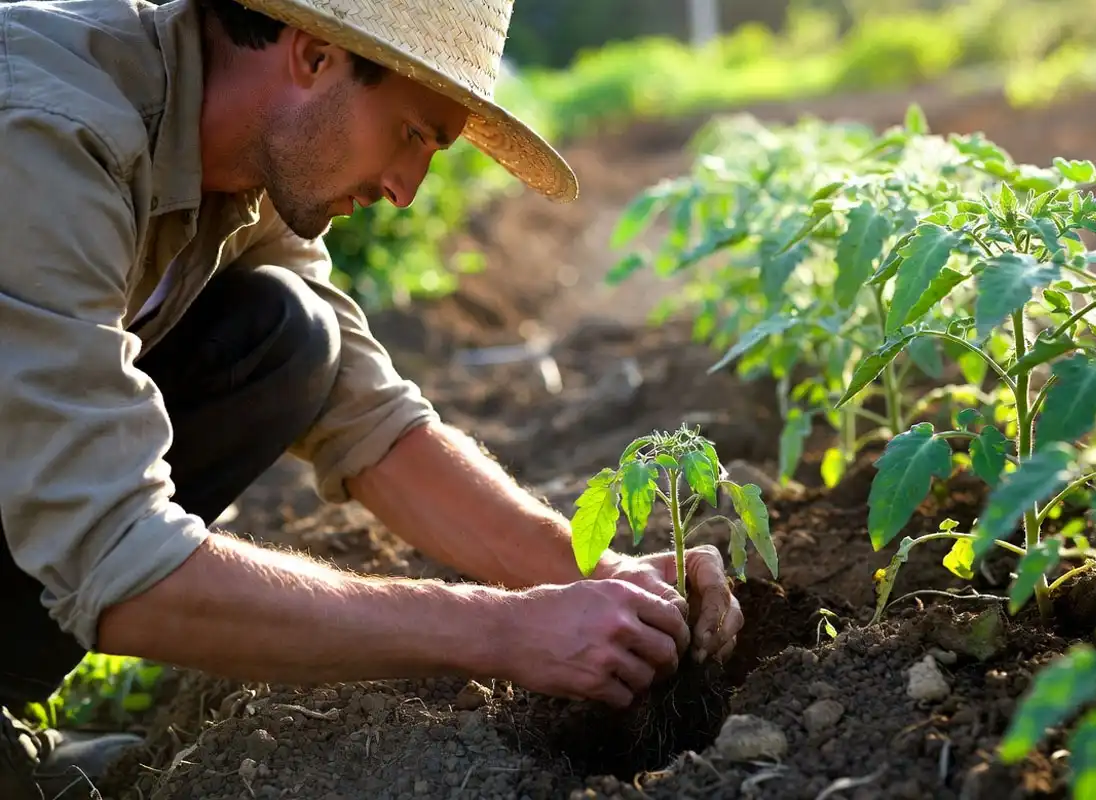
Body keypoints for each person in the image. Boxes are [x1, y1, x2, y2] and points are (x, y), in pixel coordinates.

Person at [0, 0, 746, 795]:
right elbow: (114, 552)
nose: (405, 188)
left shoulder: (245, 170)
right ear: (314, 55)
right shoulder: (50, 136)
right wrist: (498, 630)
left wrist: (599, 572)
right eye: (411, 134)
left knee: (292, 335)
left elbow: (370, 420)